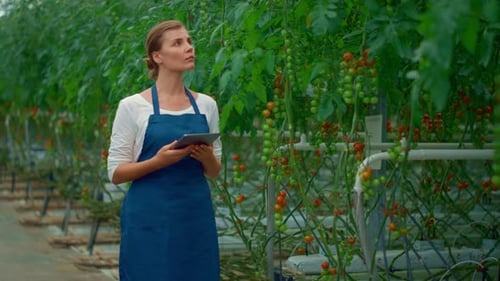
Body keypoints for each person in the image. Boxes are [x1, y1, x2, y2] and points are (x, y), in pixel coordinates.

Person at [106, 20, 222, 281]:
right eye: (178, 43)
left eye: (189, 41)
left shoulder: (206, 105)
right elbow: (115, 172)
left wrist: (207, 157)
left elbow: (215, 172)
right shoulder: (132, 107)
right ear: (157, 56)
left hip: (195, 213)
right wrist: (158, 161)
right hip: (149, 215)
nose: (189, 47)